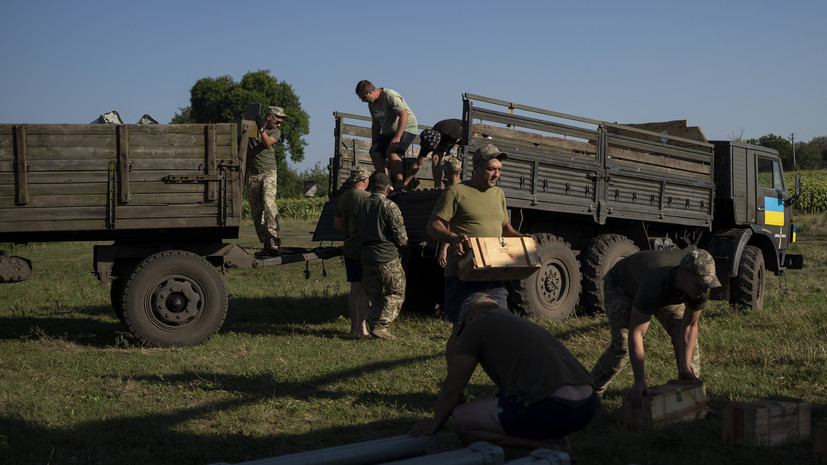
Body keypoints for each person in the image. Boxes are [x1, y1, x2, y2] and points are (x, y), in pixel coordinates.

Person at [409, 293, 598, 453]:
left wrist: (434, 425)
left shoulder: (477, 324)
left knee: (461, 420)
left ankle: (546, 446)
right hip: (587, 405)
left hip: (553, 408)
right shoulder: (520, 323)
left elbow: (452, 388)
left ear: (473, 312)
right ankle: (560, 439)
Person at [426, 144, 530, 361]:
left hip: (494, 273)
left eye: (499, 169)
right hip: (463, 273)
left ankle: (501, 384)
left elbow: (504, 228)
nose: (496, 174)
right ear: (476, 167)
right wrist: (453, 238)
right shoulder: (455, 192)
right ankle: (454, 386)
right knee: (461, 331)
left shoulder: (498, 194)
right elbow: (433, 226)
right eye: (492, 169)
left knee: (501, 326)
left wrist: (522, 238)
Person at [590, 249, 722, 407]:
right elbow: (637, 332)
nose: (704, 290)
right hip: (622, 287)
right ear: (684, 275)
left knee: (682, 332)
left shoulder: (699, 288)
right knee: (622, 345)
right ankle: (590, 394)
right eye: (701, 284)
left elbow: (689, 326)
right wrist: (640, 381)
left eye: (708, 285)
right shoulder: (654, 282)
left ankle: (689, 396)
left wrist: (685, 367)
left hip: (663, 290)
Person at [351, 172, 408, 339]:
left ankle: (374, 326)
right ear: (387, 189)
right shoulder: (389, 206)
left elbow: (353, 231)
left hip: (367, 257)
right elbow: (401, 236)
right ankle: (382, 326)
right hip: (387, 257)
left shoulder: (360, 205)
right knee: (396, 293)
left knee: (373, 295)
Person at [355, 80, 418, 191]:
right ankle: (386, 185)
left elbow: (404, 115)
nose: (362, 101)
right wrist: (375, 143)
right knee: (374, 152)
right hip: (388, 132)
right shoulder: (371, 104)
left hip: (406, 128)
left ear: (369, 92)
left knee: (391, 152)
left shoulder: (390, 96)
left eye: (363, 98)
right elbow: (375, 124)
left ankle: (400, 185)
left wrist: (397, 137)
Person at [334, 166, 372, 337]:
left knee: (354, 288)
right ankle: (363, 328)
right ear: (364, 180)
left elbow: (337, 224)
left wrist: (350, 233)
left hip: (349, 247)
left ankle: (353, 327)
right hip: (363, 248)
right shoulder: (367, 197)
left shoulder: (343, 197)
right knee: (365, 289)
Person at [247, 105, 286, 256]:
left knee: (269, 204)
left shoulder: (275, 131)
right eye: (277, 121)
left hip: (269, 172)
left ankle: (274, 239)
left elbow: (267, 142)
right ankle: (266, 243)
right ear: (269, 117)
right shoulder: (251, 128)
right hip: (253, 174)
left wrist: (261, 130)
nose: (279, 125)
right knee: (257, 211)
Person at [404, 118, 462, 190]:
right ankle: (437, 187)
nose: (432, 150)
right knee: (435, 158)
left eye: (432, 148)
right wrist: (405, 183)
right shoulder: (428, 139)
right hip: (444, 134)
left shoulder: (453, 133)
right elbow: (418, 163)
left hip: (461, 130)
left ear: (437, 143)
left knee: (456, 161)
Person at [436, 156, 463, 268]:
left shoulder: (450, 192)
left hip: (454, 246)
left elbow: (448, 223)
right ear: (460, 171)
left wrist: (443, 249)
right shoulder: (466, 189)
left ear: (445, 172)